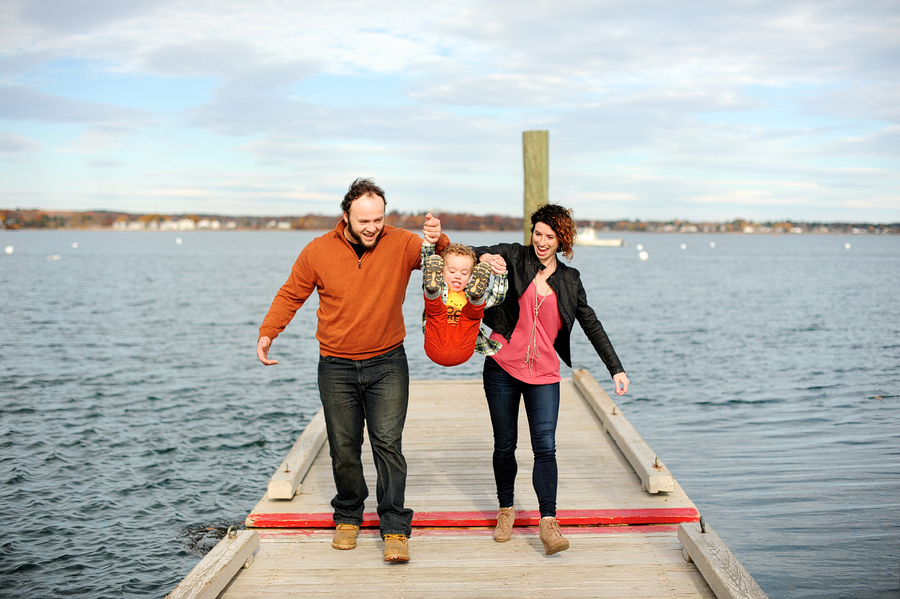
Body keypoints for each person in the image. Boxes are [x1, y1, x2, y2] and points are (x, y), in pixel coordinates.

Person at [256, 177, 447, 563]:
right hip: (336, 366)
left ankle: (394, 526)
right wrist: (268, 332)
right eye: (364, 221)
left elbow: (440, 260)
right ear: (346, 216)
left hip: (388, 363)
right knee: (344, 449)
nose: (372, 227)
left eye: (378, 218)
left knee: (387, 445)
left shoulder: (402, 242)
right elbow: (291, 293)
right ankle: (348, 515)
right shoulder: (317, 251)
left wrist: (437, 239)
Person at [473, 203, 629, 555]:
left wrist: (615, 368)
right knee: (505, 444)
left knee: (545, 446)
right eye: (538, 234)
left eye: (550, 236)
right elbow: (466, 252)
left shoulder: (570, 280)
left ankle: (548, 523)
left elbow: (591, 324)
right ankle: (505, 510)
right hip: (502, 366)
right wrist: (485, 258)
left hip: (544, 374)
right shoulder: (514, 256)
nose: (542, 242)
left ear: (562, 240)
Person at [420, 241, 508, 367]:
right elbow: (426, 265)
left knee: (471, 316)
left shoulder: (468, 293)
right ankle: (431, 292)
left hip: (462, 349)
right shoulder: (441, 287)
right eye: (452, 271)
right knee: (436, 312)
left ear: (471, 276)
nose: (458, 276)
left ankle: (478, 297)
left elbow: (497, 297)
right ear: (441, 272)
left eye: (464, 273)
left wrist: (501, 274)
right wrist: (428, 244)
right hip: (436, 345)